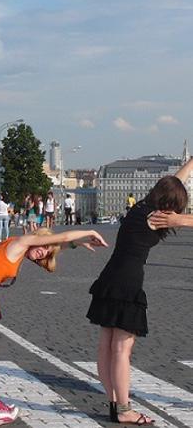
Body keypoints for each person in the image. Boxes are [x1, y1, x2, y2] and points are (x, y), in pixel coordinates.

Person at [0, 228, 107, 426]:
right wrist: (89, 231)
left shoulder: (20, 248)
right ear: (38, 237)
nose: (43, 253)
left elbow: (59, 242)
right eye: (44, 247)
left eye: (47, 253)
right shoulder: (21, 242)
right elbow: (62, 237)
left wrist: (77, 243)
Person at [86, 157, 192, 425]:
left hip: (110, 277)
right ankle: (124, 409)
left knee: (105, 346)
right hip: (128, 282)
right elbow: (182, 215)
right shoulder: (159, 217)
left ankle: (113, 403)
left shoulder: (143, 206)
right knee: (122, 350)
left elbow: (175, 181)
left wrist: (192, 162)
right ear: (171, 205)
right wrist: (181, 218)